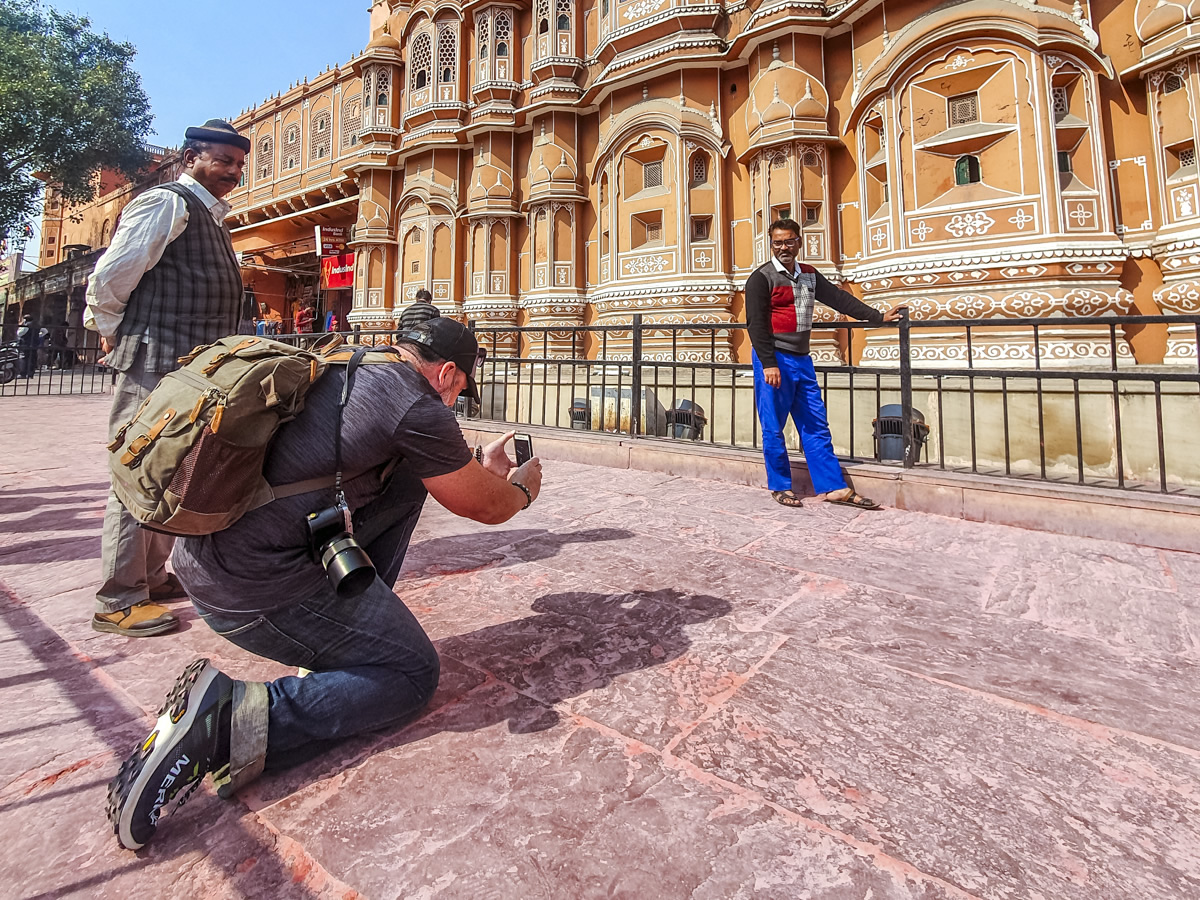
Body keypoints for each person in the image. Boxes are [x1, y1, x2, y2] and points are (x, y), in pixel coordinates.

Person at [106, 317, 541, 850]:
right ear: (448, 372)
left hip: (205, 563)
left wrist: (473, 467)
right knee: (412, 674)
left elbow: (400, 466)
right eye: (460, 390)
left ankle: (343, 640)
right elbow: (484, 506)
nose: (456, 401)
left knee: (409, 475)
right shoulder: (415, 403)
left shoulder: (345, 362)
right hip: (253, 594)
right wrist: (519, 490)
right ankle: (225, 720)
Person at [84, 119, 249, 637]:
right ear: (191, 158)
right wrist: (110, 330)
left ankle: (150, 577)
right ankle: (118, 599)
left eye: (239, 164)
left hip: (186, 367)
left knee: (170, 471)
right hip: (155, 359)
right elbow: (113, 275)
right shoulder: (168, 203)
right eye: (222, 160)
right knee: (139, 472)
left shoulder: (209, 217)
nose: (232, 172)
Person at [745, 218, 905, 510]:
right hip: (774, 359)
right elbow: (755, 325)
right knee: (773, 425)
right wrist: (769, 364)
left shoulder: (808, 274)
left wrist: (877, 316)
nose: (784, 247)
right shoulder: (761, 278)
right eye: (778, 242)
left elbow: (840, 300)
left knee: (815, 423)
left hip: (801, 360)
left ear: (799, 242)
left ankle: (833, 487)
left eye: (789, 241)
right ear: (771, 244)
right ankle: (780, 485)